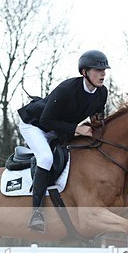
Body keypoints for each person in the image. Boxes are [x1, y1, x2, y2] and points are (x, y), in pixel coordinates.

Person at [17, 49, 110, 232]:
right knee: (45, 158)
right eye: (97, 70)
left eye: (104, 70)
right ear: (84, 72)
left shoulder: (101, 93)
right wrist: (76, 129)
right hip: (35, 125)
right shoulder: (66, 89)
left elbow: (98, 117)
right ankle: (36, 213)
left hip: (59, 129)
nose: (103, 74)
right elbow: (46, 121)